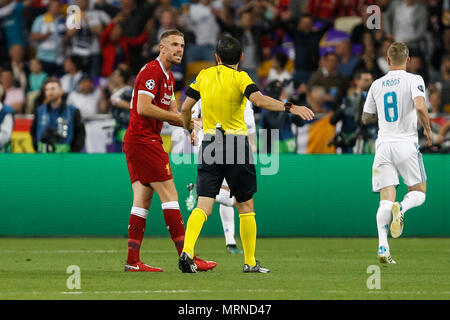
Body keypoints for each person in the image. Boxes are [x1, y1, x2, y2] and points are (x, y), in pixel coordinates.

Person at [178, 35, 314, 273]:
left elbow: (185, 108)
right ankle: (250, 262)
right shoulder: (241, 77)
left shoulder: (203, 75)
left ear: (217, 57)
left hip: (210, 143)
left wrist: (190, 126)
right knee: (245, 205)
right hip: (235, 144)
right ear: (241, 57)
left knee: (204, 204)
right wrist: (291, 107)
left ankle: (187, 252)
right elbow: (259, 100)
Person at [122, 29, 216, 272]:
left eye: (182, 45)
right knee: (171, 196)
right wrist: (183, 120)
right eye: (174, 44)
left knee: (142, 200)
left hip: (140, 140)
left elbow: (176, 115)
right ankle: (188, 258)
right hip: (144, 140)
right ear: (161, 47)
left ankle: (133, 261)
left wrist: (190, 128)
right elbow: (143, 108)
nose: (179, 50)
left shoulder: (169, 77)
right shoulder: (152, 71)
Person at [361, 42, 433, 264]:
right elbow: (420, 106)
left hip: (383, 145)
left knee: (385, 199)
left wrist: (380, 116)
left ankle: (383, 246)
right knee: (419, 192)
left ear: (388, 60)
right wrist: (428, 130)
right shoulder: (414, 79)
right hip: (406, 144)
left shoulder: (376, 84)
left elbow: (365, 118)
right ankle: (401, 207)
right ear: (408, 60)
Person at [30, 77, 86, 153]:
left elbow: (80, 135)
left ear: (61, 91)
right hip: (43, 155)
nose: (50, 92)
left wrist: (73, 153)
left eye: (53, 89)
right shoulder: (39, 110)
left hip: (65, 157)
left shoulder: (73, 111)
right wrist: (37, 148)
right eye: (47, 89)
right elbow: (33, 132)